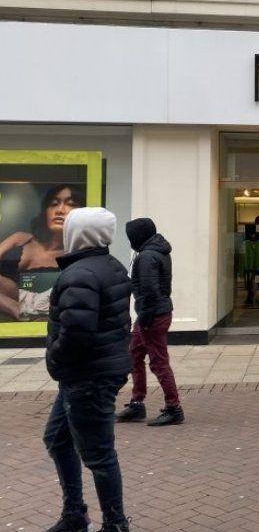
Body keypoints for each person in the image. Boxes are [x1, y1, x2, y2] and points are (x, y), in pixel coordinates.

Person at [43, 207, 132, 532]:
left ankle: (115, 523)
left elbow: (76, 332)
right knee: (57, 438)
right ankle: (74, 514)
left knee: (98, 455)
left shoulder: (81, 273)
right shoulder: (110, 266)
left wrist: (55, 357)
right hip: (92, 371)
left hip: (87, 375)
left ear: (77, 234)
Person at [116, 218, 185, 427]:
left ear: (138, 236)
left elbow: (149, 290)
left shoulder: (147, 256)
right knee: (134, 354)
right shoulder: (156, 251)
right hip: (153, 313)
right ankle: (137, 402)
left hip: (152, 315)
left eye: (131, 237)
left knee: (158, 361)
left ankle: (174, 408)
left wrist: (144, 318)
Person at [0, 184, 84, 321]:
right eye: (53, 204)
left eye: (71, 204)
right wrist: (13, 306)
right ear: (45, 211)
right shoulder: (19, 239)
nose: (60, 210)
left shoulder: (77, 254)